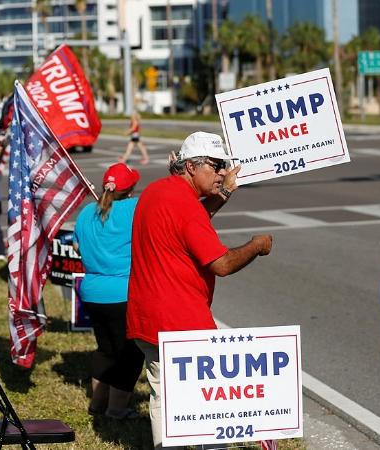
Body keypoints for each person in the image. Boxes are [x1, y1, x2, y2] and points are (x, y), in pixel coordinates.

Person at [126, 131, 273, 449]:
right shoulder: (186, 206)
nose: (223, 172)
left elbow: (187, 222)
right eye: (217, 165)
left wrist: (225, 192)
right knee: (210, 406)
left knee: (165, 398)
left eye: (224, 166)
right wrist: (257, 245)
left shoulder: (158, 192)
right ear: (191, 167)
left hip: (145, 317)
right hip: (180, 322)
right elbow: (221, 264)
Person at [74, 162, 145, 420]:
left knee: (105, 349)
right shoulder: (133, 208)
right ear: (131, 188)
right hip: (123, 293)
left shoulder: (86, 213)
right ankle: (116, 410)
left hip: (92, 291)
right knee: (129, 354)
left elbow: (76, 248)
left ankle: (97, 404)